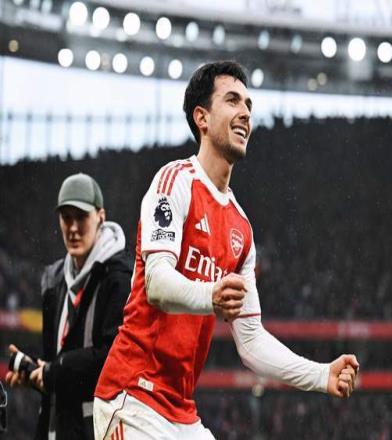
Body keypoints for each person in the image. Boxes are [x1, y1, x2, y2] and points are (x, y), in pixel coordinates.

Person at [94, 61, 359, 439]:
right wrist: (211, 296)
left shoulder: (241, 228)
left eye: (249, 105)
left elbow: (251, 342)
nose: (245, 113)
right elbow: (156, 283)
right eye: (232, 101)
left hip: (180, 410)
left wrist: (320, 375)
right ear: (201, 118)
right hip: (133, 395)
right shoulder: (174, 182)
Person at [5, 173, 132, 440]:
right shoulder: (53, 280)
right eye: (66, 218)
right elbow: (58, 367)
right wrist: (37, 374)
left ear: (100, 217)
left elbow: (114, 359)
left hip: (101, 431)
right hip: (58, 428)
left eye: (81, 217)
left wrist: (52, 372)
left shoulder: (120, 278)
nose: (73, 228)